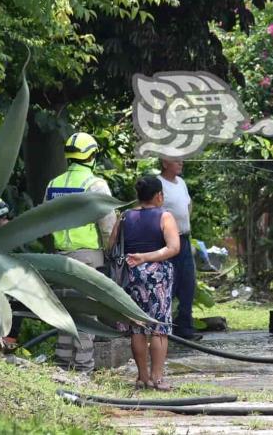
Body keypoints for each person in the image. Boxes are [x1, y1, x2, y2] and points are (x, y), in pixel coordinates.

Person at [44, 132, 116, 374]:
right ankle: (84, 370)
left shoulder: (53, 184)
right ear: (92, 155)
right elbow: (108, 226)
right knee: (85, 317)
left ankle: (63, 367)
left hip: (58, 260)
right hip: (87, 259)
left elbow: (44, 220)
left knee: (64, 314)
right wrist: (111, 253)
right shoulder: (95, 184)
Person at [112, 175, 180, 390]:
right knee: (159, 327)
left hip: (130, 275)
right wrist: (147, 257)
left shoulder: (124, 217)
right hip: (157, 276)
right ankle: (158, 378)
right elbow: (173, 248)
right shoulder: (165, 216)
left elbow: (111, 244)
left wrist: (135, 256)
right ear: (159, 195)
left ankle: (142, 377)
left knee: (137, 328)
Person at [157, 158, 199, 340]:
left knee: (188, 284)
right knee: (168, 284)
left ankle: (185, 328)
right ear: (165, 163)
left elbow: (188, 205)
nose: (181, 163)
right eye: (176, 160)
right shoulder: (158, 183)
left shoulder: (181, 182)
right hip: (165, 240)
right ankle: (163, 328)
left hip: (184, 238)